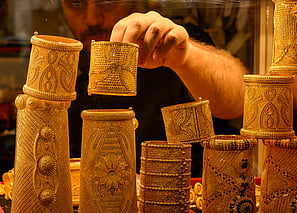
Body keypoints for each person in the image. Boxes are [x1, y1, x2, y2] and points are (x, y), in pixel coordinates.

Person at [61, 0, 248, 177]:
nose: (92, 19)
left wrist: (185, 58)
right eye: (76, 3)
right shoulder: (74, 86)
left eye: (108, 1)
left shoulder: (171, 43)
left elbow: (240, 99)